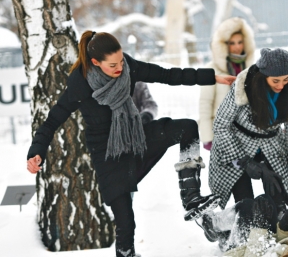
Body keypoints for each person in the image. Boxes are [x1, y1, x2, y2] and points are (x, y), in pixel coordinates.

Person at [25, 31, 236, 257]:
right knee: (126, 223)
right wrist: (36, 151)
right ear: (95, 63)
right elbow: (52, 120)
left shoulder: (128, 67)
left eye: (121, 61)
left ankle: (191, 196)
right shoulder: (80, 83)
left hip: (135, 138)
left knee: (187, 128)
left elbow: (167, 74)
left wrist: (211, 77)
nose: (119, 68)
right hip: (108, 154)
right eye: (112, 65)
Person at [208, 48, 288, 217]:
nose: (281, 85)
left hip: (271, 145)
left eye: (285, 79)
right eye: (275, 81)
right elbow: (220, 124)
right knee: (245, 201)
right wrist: (243, 161)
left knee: (278, 196)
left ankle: (276, 231)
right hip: (236, 145)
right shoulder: (244, 86)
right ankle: (237, 231)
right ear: (264, 77)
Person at [197, 194, 288, 256]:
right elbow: (279, 240)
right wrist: (286, 227)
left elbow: (255, 254)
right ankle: (215, 228)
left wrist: (260, 228)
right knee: (256, 204)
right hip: (246, 245)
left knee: (249, 208)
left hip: (240, 252)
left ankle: (214, 227)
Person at [199, 17, 256, 151]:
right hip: (221, 133)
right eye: (232, 43)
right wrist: (207, 136)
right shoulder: (211, 69)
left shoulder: (252, 70)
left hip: (249, 134)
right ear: (224, 45)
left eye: (240, 42)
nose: (237, 47)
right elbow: (205, 104)